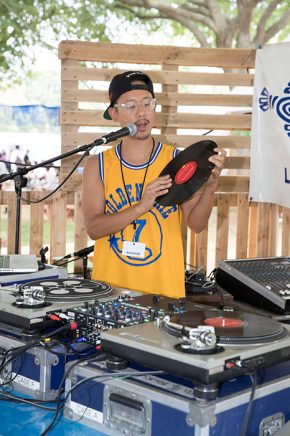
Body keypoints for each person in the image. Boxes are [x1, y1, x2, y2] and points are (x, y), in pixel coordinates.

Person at [82, 71, 226, 299]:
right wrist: (141, 206)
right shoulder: (97, 165)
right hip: (111, 292)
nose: (141, 112)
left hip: (164, 294)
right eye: (130, 105)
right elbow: (94, 228)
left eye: (147, 103)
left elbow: (197, 225)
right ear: (114, 113)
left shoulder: (177, 161)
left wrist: (211, 185)